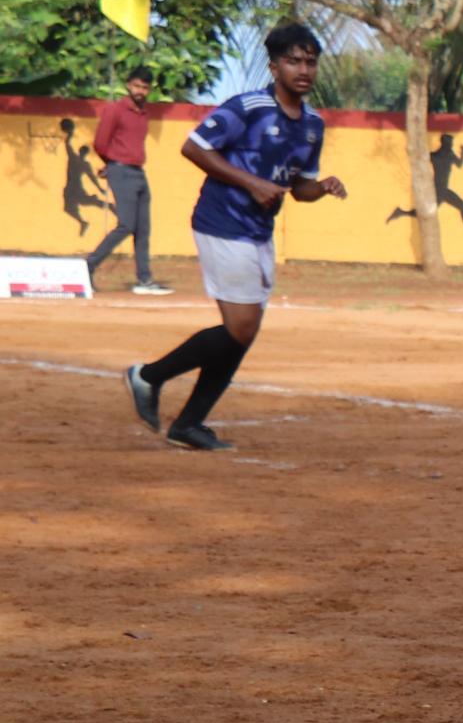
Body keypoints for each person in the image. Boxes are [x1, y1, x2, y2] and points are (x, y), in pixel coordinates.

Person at [123, 27, 347, 451]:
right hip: (222, 221)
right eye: (294, 61)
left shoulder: (313, 125)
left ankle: (188, 423)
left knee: (242, 331)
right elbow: (194, 147)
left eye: (311, 62)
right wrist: (251, 183)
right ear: (275, 66)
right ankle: (148, 376)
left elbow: (300, 188)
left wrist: (324, 187)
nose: (304, 70)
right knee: (241, 327)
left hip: (258, 231)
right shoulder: (248, 107)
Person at [85, 69, 170, 294]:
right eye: (136, 86)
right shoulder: (115, 110)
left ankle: (145, 279)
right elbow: (100, 143)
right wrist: (112, 163)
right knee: (126, 225)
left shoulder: (143, 113)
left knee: (143, 229)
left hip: (139, 171)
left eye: (144, 87)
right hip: (121, 171)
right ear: (128, 85)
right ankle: (89, 265)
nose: (140, 91)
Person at [386, 133, 463, 245]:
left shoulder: (436, 155)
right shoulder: (448, 155)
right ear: (446, 144)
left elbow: (421, 158)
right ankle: (401, 212)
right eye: (451, 144)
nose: (451, 145)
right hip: (440, 191)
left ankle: (401, 212)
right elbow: (460, 164)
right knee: (433, 211)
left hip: (441, 189)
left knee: (458, 206)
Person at [58, 116, 111, 236]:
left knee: (87, 202)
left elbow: (92, 179)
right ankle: (83, 222)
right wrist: (70, 134)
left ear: (84, 153)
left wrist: (101, 189)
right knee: (68, 209)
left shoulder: (82, 163)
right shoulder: (74, 159)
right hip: (70, 188)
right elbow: (67, 145)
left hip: (76, 189)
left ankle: (108, 206)